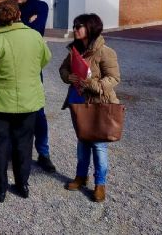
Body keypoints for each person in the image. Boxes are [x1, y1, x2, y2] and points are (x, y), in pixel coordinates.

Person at [0, 0, 51, 202]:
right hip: (29, 101)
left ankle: (1, 189)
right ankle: (22, 185)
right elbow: (45, 59)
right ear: (19, 15)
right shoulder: (35, 36)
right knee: (24, 143)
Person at [0, 0, 56, 173]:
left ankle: (43, 153)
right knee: (10, 112)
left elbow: (37, 33)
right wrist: (26, 23)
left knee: (38, 114)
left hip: (31, 70)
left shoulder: (41, 6)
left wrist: (12, 27)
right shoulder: (4, 7)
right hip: (8, 69)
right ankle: (13, 151)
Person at [59, 13, 120, 202]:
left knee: (98, 145)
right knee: (82, 141)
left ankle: (100, 184)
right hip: (77, 102)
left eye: (80, 26)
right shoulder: (74, 50)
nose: (75, 29)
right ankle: (80, 176)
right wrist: (68, 77)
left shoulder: (105, 51)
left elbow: (114, 78)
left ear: (91, 28)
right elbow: (63, 69)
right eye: (75, 26)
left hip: (98, 104)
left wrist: (90, 83)